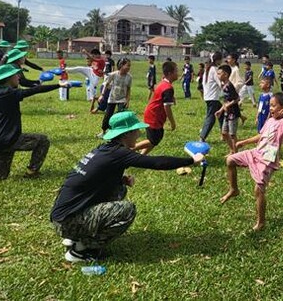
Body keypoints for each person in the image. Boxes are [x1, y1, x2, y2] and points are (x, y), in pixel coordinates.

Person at [50, 111, 204, 262]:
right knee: (127, 210)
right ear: (125, 134)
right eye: (136, 130)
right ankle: (81, 250)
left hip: (62, 217)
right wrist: (191, 160)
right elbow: (157, 162)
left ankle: (75, 236)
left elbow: (91, 178)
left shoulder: (104, 149)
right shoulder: (119, 153)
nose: (139, 134)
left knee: (119, 189)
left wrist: (120, 179)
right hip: (66, 222)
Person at [0, 65, 69, 191]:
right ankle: (32, 172)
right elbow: (33, 90)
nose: (18, 77)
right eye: (15, 75)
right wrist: (59, 85)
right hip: (9, 140)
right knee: (43, 140)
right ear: (7, 78)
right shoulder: (8, 93)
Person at [220, 92, 283, 231]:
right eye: (270, 105)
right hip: (256, 152)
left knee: (258, 190)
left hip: (267, 159)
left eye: (273, 105)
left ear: (282, 107)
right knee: (230, 160)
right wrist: (244, 142)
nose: (270, 108)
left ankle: (261, 222)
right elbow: (261, 135)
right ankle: (234, 189)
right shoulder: (270, 120)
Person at [134, 61, 178, 155]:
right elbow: (167, 107)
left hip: (153, 115)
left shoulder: (164, 83)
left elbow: (161, 96)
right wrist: (172, 123)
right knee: (153, 140)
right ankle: (130, 149)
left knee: (155, 139)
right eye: (176, 71)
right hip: (153, 116)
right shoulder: (168, 87)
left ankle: (141, 156)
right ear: (170, 73)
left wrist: (172, 97)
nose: (178, 74)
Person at [98, 58, 132, 138]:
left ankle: (119, 132)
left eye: (129, 66)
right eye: (127, 65)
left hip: (122, 99)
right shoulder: (113, 74)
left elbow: (128, 89)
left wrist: (127, 100)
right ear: (121, 65)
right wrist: (102, 95)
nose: (129, 68)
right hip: (112, 98)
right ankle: (104, 131)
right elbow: (106, 84)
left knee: (121, 115)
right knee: (108, 115)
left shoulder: (129, 77)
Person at [214, 65, 240, 154]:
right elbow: (226, 101)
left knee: (232, 134)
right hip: (227, 113)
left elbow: (237, 98)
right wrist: (220, 110)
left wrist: (228, 105)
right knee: (224, 133)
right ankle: (232, 150)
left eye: (219, 73)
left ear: (225, 74)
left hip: (233, 113)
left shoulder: (229, 85)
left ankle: (235, 152)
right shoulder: (224, 85)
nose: (217, 75)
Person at [200, 52, 224, 142]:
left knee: (222, 114)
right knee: (211, 118)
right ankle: (202, 137)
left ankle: (223, 134)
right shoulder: (214, 69)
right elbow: (220, 82)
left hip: (210, 96)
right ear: (218, 60)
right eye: (221, 59)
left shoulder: (208, 68)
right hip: (213, 97)